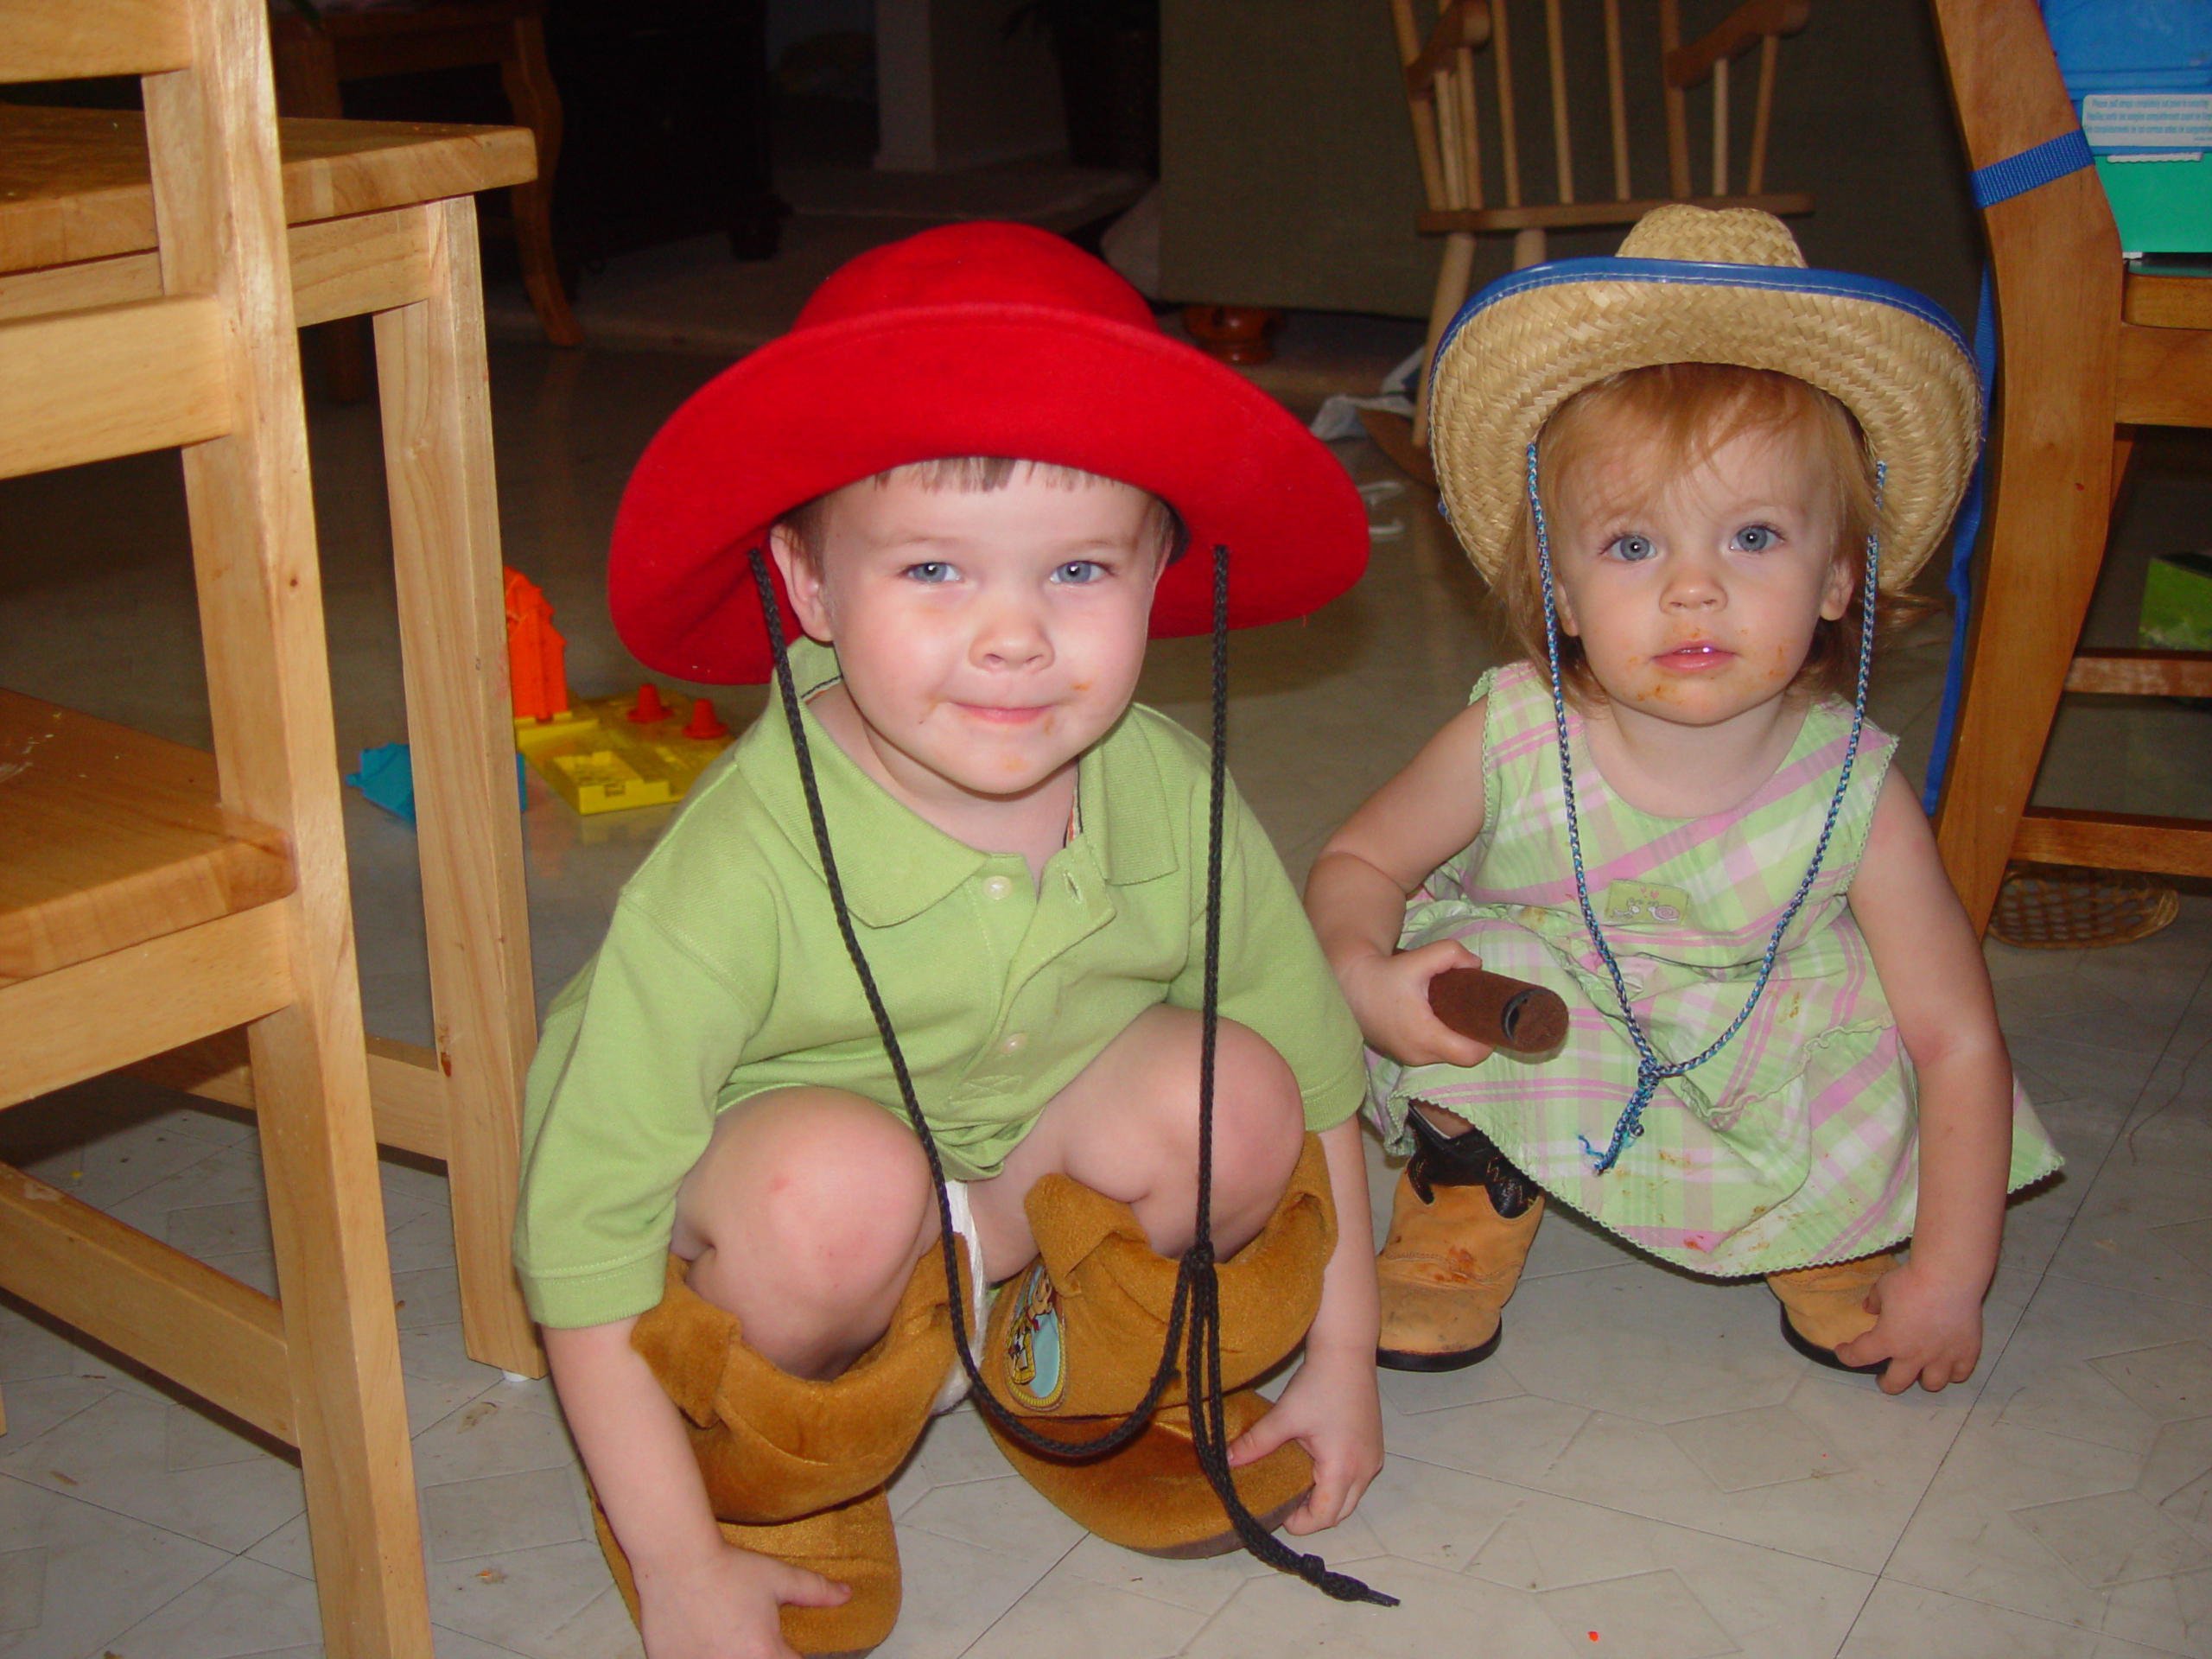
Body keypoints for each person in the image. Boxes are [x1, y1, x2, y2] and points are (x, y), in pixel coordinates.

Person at [515, 221, 1384, 1659]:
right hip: (770, 1205)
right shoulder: (741, 856)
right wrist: (674, 1564)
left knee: (1245, 1097)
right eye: (931, 571)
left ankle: (1073, 1373)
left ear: (1162, 570)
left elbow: (1329, 1084)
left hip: (1015, 1164)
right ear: (804, 585)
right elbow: (582, 1226)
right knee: (831, 1191)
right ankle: (774, 1463)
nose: (1012, 638)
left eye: (1079, 573)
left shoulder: (1172, 790)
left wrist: (1345, 1363)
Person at [1305, 206, 2061, 1397]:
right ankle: (1467, 1194)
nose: (1696, 591)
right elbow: (1355, 865)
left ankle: (1834, 1219)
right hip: (1553, 1029)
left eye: (1753, 535)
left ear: (1839, 577)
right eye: (1633, 547)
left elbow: (1956, 1038)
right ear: (1558, 590)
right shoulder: (1513, 733)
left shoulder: (1852, 787)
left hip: (1760, 1046)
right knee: (1480, 958)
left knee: (1876, 1016)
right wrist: (1363, 973)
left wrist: (1952, 1275)